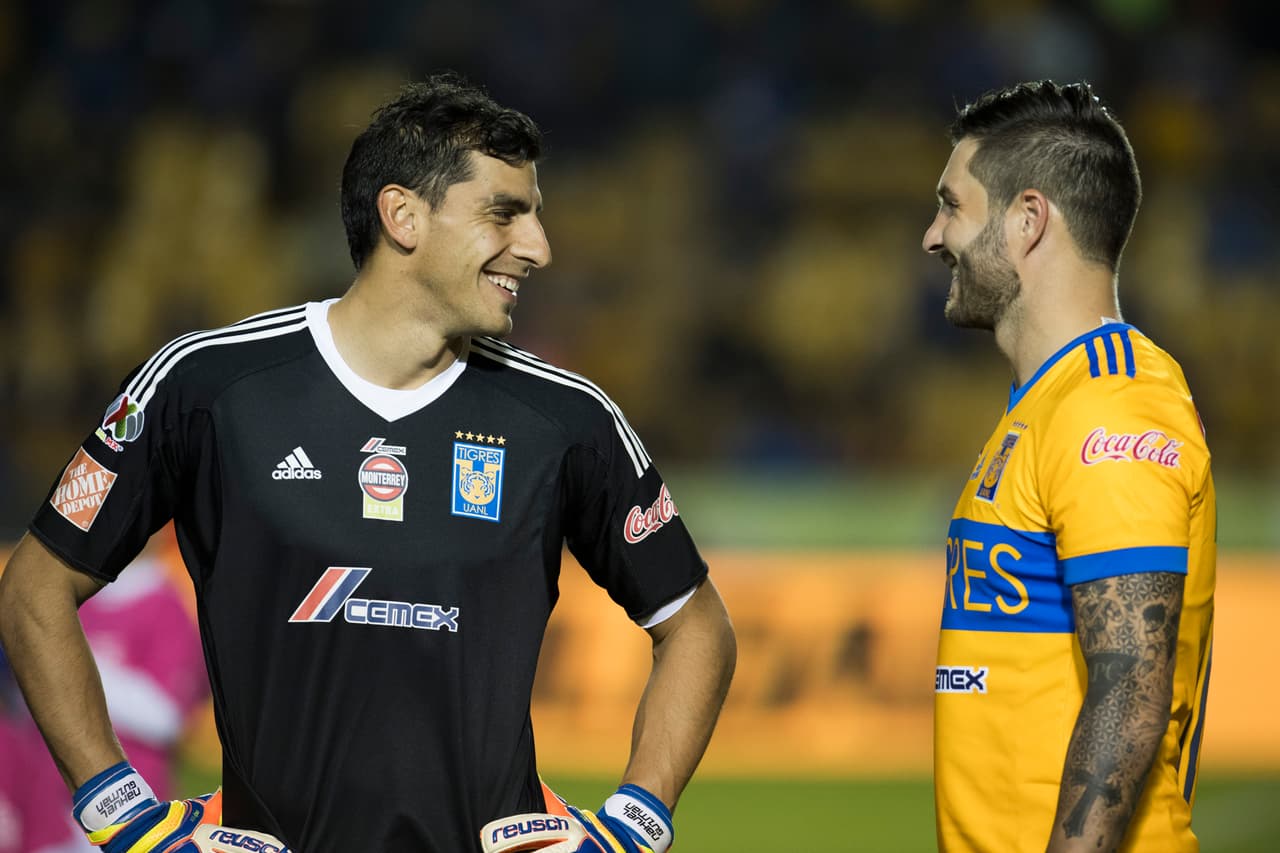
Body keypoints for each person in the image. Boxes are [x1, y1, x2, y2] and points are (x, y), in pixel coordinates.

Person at [0, 72, 736, 853]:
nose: (538, 248)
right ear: (403, 215)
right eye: (505, 213)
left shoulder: (566, 419)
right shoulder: (206, 387)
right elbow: (36, 588)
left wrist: (637, 819)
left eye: (536, 217)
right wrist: (121, 810)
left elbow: (697, 623)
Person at [921, 79, 1215, 852]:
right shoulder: (1045, 405)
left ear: (1027, 220)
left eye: (951, 205)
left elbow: (1130, 684)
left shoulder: (1109, 406)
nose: (932, 235)